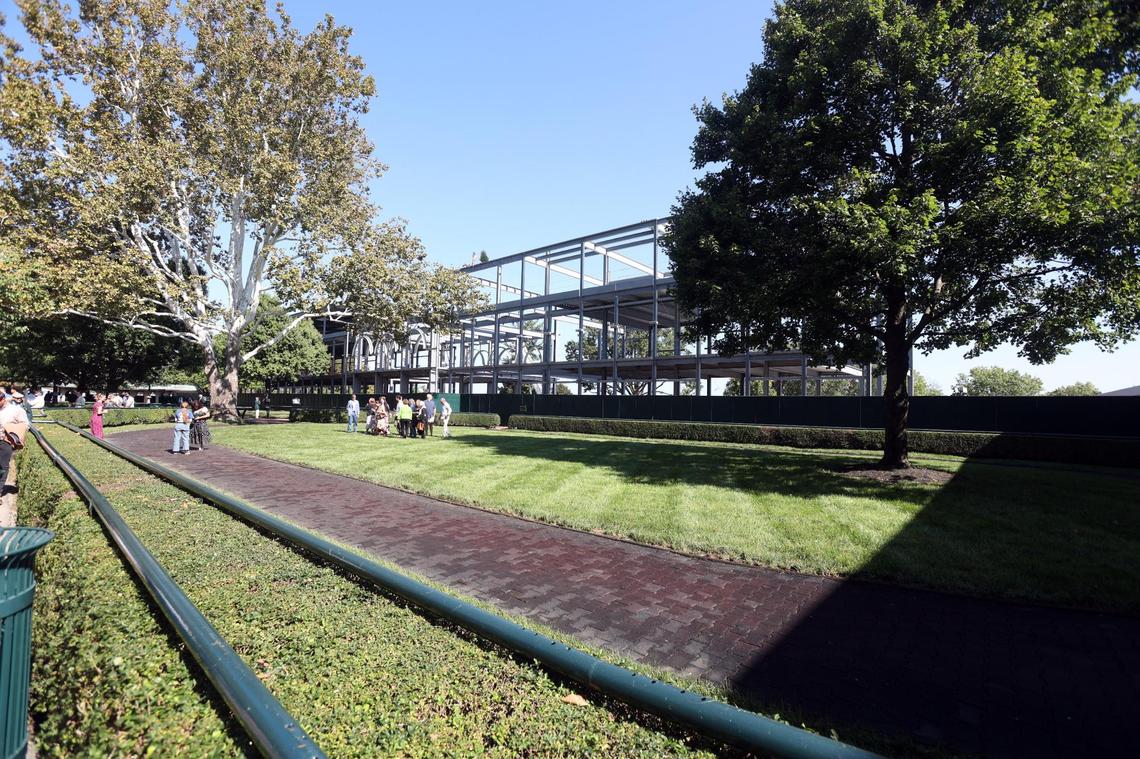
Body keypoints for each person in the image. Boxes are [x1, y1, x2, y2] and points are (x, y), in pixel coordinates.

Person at [0, 391, 30, 496]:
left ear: (3, 399)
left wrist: (11, 429)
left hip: (5, 441)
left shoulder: (16, 410)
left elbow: (25, 424)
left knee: (2, 467)